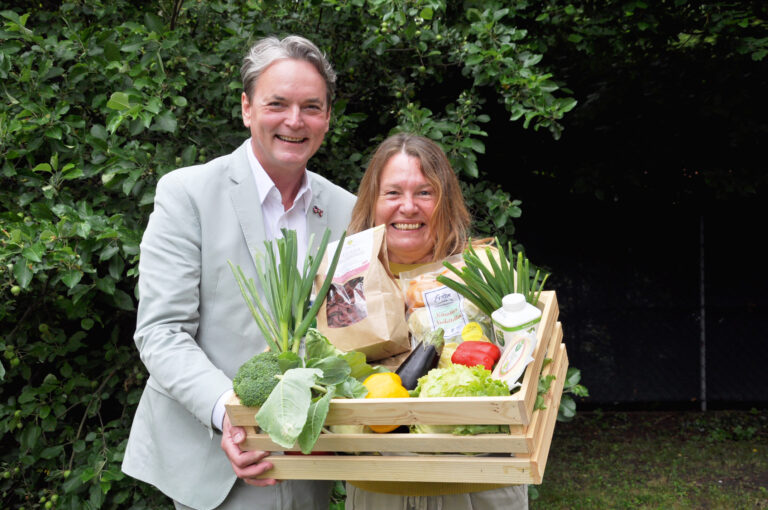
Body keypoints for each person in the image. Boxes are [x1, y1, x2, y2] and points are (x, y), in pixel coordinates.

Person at [121, 35, 356, 510]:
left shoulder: (345, 209)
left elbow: (352, 329)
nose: (295, 120)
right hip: (215, 462)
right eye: (278, 104)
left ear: (327, 118)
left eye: (312, 106)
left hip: (309, 463)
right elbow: (162, 332)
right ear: (247, 108)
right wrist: (231, 414)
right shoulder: (188, 194)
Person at [345, 133, 528, 510]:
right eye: (393, 193)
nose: (408, 207)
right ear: (372, 203)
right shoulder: (347, 286)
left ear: (446, 202)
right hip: (380, 491)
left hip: (478, 488)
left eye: (425, 193)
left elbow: (532, 367)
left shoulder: (484, 271)